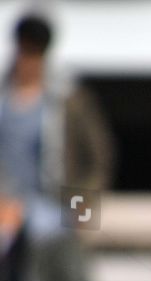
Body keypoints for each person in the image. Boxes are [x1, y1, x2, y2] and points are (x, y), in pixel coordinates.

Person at [0, 12, 114, 237]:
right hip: (7, 213)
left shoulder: (69, 98)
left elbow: (99, 158)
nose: (28, 61)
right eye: (25, 51)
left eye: (34, 53)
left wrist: (80, 214)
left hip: (55, 213)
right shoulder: (4, 97)